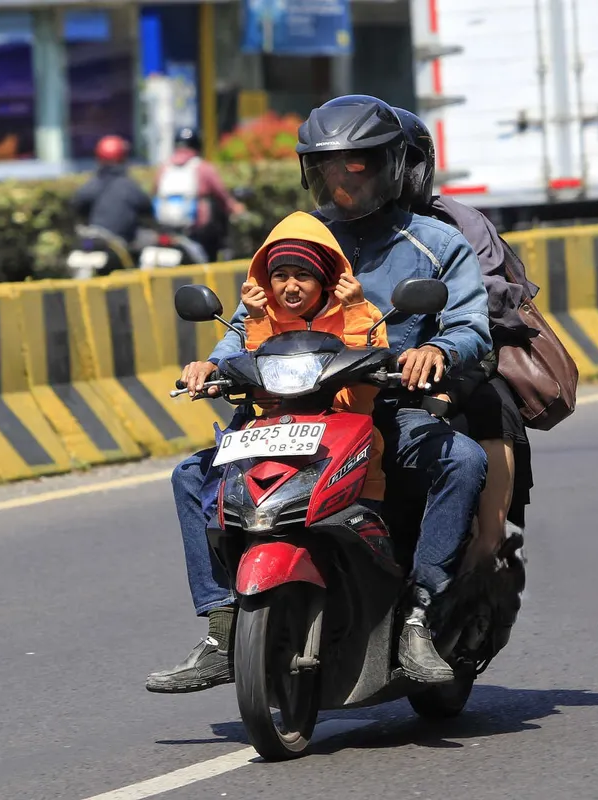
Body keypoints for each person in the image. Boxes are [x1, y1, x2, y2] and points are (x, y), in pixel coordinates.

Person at [146, 96, 492, 693]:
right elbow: (248, 323)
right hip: (290, 410)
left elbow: (469, 326)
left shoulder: (435, 243)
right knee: (190, 477)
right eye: (329, 169)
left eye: (356, 167)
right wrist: (214, 364)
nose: (342, 181)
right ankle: (221, 624)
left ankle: (420, 613)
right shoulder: (299, 237)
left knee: (461, 461)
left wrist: (438, 351)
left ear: (391, 167)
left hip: (383, 408)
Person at [392, 106, 536, 662]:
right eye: (340, 168)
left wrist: (442, 337)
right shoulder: (330, 227)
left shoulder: (454, 225)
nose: (353, 180)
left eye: (374, 165)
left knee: (487, 402)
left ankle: (484, 544)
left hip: (458, 351)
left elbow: (488, 300)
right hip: (360, 365)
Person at [241, 211, 388, 506]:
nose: (291, 287)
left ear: (324, 279)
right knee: (200, 477)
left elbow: (366, 383)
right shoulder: (261, 313)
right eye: (280, 276)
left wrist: (355, 311)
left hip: (344, 427)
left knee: (373, 448)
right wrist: (257, 320)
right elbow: (262, 392)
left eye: (303, 275)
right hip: (277, 429)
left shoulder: (362, 311)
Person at [153, 127, 247, 262]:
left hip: (166, 229)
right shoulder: (203, 168)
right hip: (196, 231)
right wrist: (235, 208)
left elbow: (154, 193)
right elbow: (221, 195)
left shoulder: (163, 168)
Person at [70, 135, 153, 248]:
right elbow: (147, 208)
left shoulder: (92, 184)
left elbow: (77, 205)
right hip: (119, 244)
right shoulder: (129, 186)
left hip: (91, 243)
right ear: (123, 157)